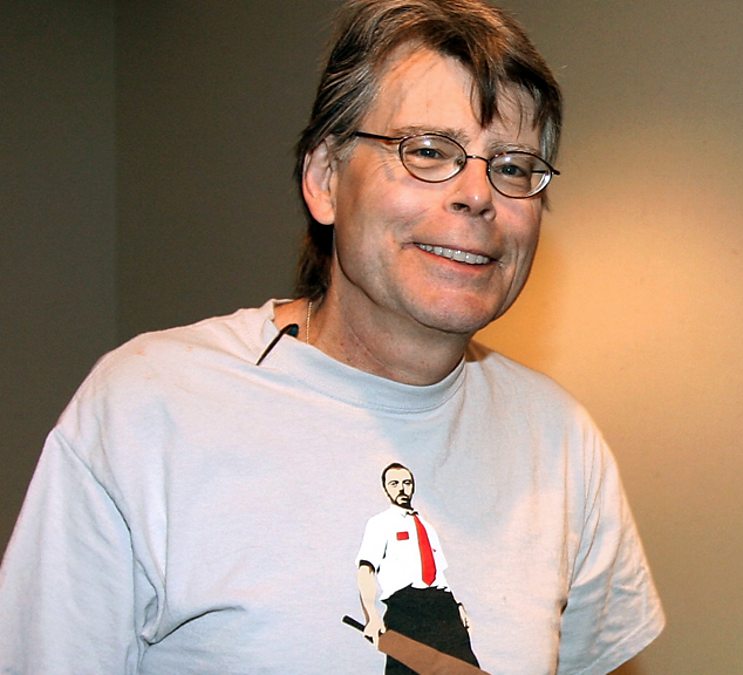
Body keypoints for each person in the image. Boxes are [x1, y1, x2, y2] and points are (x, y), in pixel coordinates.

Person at [0, 1, 665, 672]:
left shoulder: (559, 441)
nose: (478, 194)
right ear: (324, 180)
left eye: (514, 166)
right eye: (428, 151)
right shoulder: (149, 408)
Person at [357, 463, 479, 673]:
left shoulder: (427, 527)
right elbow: (365, 570)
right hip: (407, 608)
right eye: (394, 484)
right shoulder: (380, 524)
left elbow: (437, 573)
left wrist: (456, 604)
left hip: (443, 608)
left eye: (406, 483)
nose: (401, 488)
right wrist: (372, 616)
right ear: (385, 488)